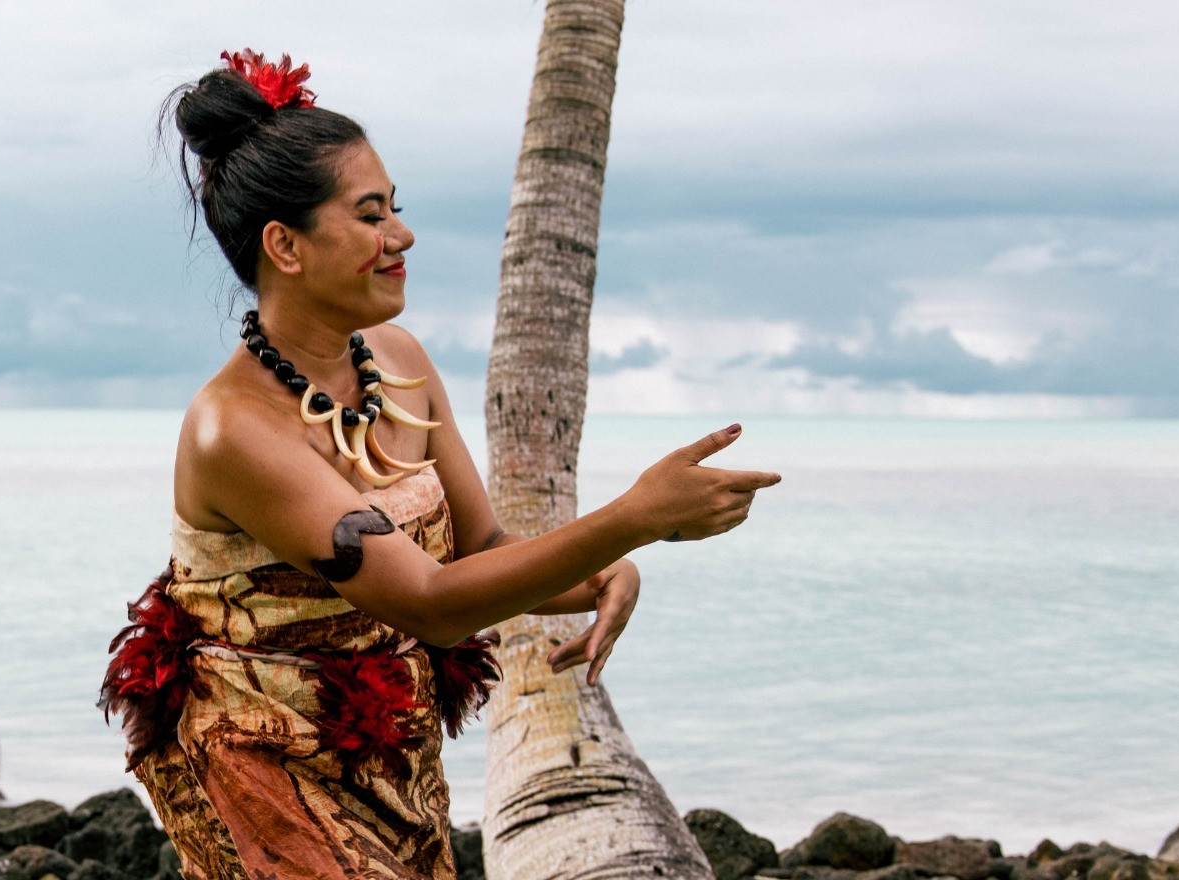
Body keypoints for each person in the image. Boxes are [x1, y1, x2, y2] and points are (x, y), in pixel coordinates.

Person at [101, 51, 782, 879]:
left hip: (393, 753)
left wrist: (606, 572)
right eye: (372, 214)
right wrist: (633, 515)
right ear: (285, 244)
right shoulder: (235, 430)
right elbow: (428, 602)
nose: (403, 235)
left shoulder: (397, 360)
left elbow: (479, 547)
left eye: (397, 208)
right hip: (264, 775)